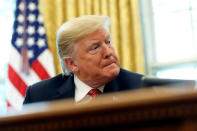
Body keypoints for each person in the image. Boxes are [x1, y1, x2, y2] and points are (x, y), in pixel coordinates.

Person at [23, 15, 143, 104]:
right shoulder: (38, 96)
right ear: (71, 63)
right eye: (95, 48)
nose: (109, 52)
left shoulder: (141, 89)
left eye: (108, 42)